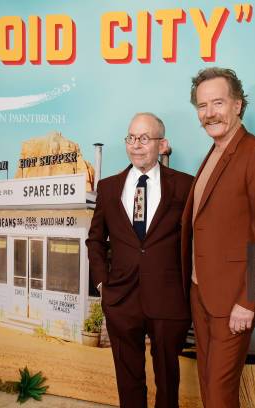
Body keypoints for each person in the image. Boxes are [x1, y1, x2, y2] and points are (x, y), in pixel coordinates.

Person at [181, 68, 255, 407]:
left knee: (220, 392)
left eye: (218, 103)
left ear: (237, 105)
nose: (209, 113)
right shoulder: (214, 154)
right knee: (210, 387)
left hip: (234, 299)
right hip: (202, 292)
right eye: (202, 105)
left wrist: (250, 301)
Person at [86, 113, 193, 408]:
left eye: (144, 138)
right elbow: (95, 240)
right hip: (121, 299)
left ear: (162, 144)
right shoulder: (108, 188)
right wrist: (101, 283)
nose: (136, 145)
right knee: (128, 379)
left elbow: (196, 240)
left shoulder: (185, 186)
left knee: (168, 380)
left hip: (168, 300)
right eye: (131, 138)